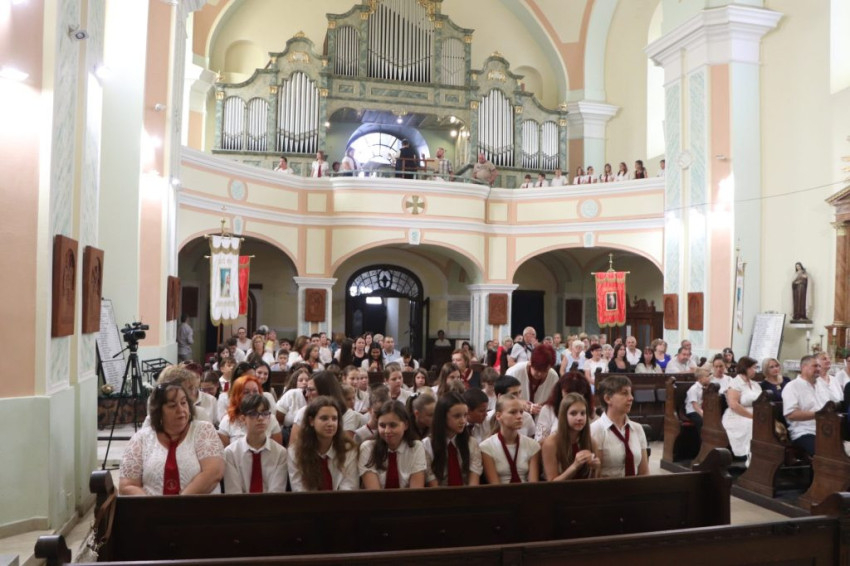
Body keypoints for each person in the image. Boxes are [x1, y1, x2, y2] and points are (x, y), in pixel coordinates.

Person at [119, 380, 224, 495]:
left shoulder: (203, 430)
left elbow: (213, 473)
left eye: (183, 403)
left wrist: (179, 502)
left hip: (196, 505)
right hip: (151, 505)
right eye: (172, 406)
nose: (181, 410)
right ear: (159, 411)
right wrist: (151, 504)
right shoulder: (141, 439)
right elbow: (127, 485)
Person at [288, 396, 359, 491]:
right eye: (324, 418)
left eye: (334, 419)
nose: (330, 424)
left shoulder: (348, 450)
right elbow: (300, 490)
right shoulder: (295, 452)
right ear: (311, 421)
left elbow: (350, 487)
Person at [223, 394, 288, 493]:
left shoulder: (280, 452)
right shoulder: (231, 453)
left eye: (265, 413)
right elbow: (233, 492)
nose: (260, 418)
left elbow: (277, 492)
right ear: (243, 419)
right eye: (253, 414)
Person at [359, 400, 427, 489]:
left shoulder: (416, 447)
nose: (387, 431)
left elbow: (415, 492)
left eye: (393, 425)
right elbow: (374, 494)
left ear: (406, 425)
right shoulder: (368, 448)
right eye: (382, 426)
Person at [591, 375, 649, 477]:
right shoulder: (597, 429)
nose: (631, 398)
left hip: (635, 485)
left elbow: (644, 472)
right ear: (608, 398)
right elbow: (595, 475)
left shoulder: (637, 428)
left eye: (630, 393)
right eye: (624, 393)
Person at [479, 393, 541, 484]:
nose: (519, 416)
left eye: (521, 412)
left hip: (526, 491)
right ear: (498, 416)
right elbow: (494, 485)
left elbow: (533, 484)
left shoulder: (532, 445)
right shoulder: (486, 447)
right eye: (513, 412)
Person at [424, 393, 482, 486]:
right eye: (457, 416)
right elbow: (433, 484)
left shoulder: (471, 443)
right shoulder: (427, 445)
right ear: (442, 417)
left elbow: (473, 482)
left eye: (465, 415)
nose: (463, 421)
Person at [541, 393, 600, 480]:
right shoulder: (551, 443)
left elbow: (594, 482)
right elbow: (552, 483)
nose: (579, 418)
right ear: (564, 416)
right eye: (573, 413)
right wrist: (575, 466)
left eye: (583, 413)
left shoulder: (591, 442)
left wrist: (595, 468)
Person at [219, 376, 283, 447]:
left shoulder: (270, 418)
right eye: (246, 392)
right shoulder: (227, 420)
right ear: (236, 396)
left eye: (255, 391)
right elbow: (224, 451)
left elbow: (277, 449)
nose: (252, 395)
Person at [534, 371, 592, 443]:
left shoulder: (590, 411)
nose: (573, 397)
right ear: (560, 391)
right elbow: (539, 442)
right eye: (568, 393)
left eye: (578, 393)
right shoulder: (548, 410)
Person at [721, 357, 760, 461]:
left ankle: (763, 455)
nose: (755, 371)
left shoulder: (755, 384)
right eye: (754, 368)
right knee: (752, 424)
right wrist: (752, 417)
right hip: (737, 416)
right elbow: (733, 405)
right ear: (746, 368)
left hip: (755, 414)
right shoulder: (735, 383)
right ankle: (748, 455)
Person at [782, 355, 822, 456]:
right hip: (804, 432)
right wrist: (819, 414)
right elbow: (791, 414)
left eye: (819, 366)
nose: (818, 369)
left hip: (825, 430)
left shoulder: (821, 385)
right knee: (825, 454)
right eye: (815, 366)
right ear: (804, 367)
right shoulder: (792, 387)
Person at [506, 343, 558, 412]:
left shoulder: (553, 376)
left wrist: (544, 406)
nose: (540, 374)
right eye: (537, 369)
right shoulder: (513, 373)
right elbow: (504, 399)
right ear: (530, 361)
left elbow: (554, 400)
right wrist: (520, 403)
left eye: (545, 371)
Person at [684, 368, 712, 434]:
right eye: (707, 376)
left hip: (701, 410)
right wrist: (703, 415)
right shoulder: (694, 389)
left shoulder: (705, 388)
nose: (709, 378)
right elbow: (695, 405)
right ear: (700, 379)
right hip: (692, 411)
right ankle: (703, 438)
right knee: (701, 421)